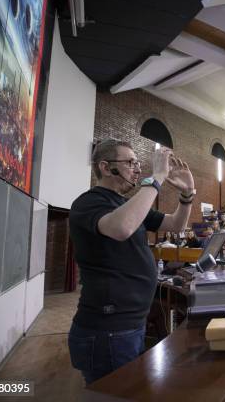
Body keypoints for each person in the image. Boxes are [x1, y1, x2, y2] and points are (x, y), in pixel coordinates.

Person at [68, 139, 194, 384]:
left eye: (138, 163)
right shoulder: (88, 202)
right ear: (106, 167)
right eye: (130, 163)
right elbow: (122, 227)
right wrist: (156, 176)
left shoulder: (128, 204)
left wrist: (187, 195)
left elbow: (176, 225)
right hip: (108, 329)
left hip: (128, 324)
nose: (137, 169)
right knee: (115, 394)